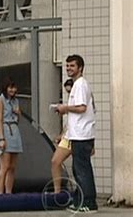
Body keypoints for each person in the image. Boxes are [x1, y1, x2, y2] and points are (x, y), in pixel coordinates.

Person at [56, 54, 97, 213]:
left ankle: (89, 202)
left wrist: (65, 108)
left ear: (80, 68)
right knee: (79, 169)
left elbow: (82, 108)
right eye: (67, 66)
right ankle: (81, 199)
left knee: (82, 169)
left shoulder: (80, 85)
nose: (68, 68)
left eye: (72, 66)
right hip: (78, 134)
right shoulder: (77, 85)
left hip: (82, 135)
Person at [0, 77, 22, 194]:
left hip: (14, 131)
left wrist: (18, 113)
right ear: (6, 88)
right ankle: (0, 194)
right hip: (4, 131)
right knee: (4, 166)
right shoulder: (0, 101)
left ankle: (9, 192)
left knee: (12, 167)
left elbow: (18, 119)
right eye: (10, 87)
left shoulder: (16, 101)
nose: (13, 90)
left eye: (14, 87)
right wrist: (1, 139)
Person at [51, 79, 74, 193]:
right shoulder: (71, 100)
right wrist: (62, 135)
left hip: (79, 137)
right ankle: (57, 191)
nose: (69, 94)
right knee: (55, 161)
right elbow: (69, 123)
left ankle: (84, 193)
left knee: (79, 166)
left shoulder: (82, 99)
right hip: (68, 136)